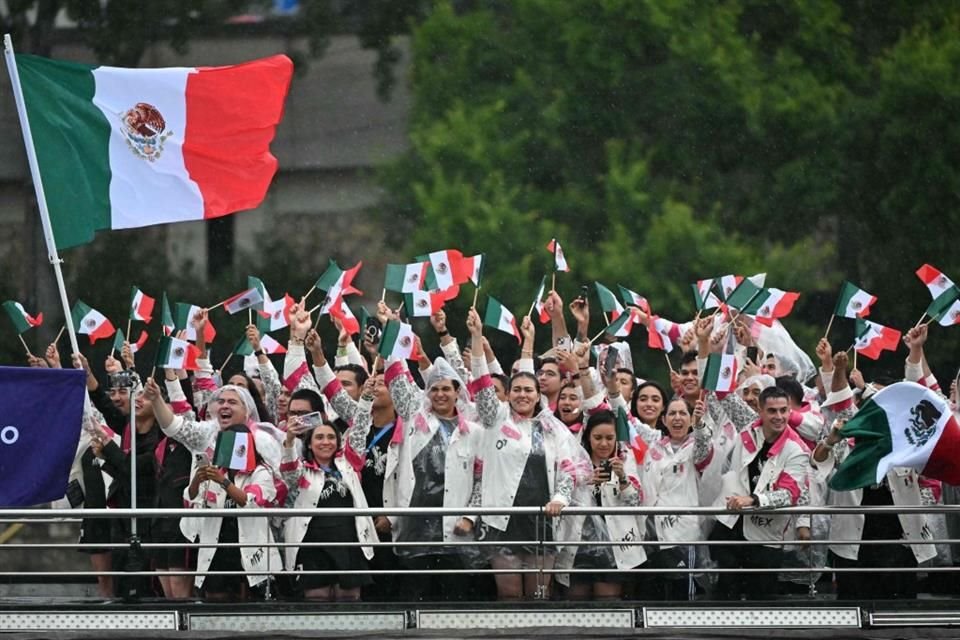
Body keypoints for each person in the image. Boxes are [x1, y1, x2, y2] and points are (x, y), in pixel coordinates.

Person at [467, 308, 591, 600]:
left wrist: (560, 498)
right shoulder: (495, 419)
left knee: (539, 595)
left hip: (542, 521)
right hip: (502, 522)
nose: (522, 394)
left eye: (529, 390)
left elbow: (569, 468)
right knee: (509, 595)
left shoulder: (551, 427)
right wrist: (475, 338)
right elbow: (482, 383)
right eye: (517, 390)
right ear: (508, 394)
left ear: (539, 396)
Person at [143, 378, 283, 600]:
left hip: (254, 533)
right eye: (220, 401)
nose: (224, 405)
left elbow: (271, 493)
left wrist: (226, 482)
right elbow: (172, 426)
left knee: (253, 601)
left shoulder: (263, 440)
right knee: (216, 599)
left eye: (232, 402)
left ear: (247, 411)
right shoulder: (207, 432)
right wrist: (157, 398)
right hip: (213, 534)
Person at [381, 349, 485, 602]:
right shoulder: (414, 423)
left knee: (454, 599)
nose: (440, 394)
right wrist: (392, 341)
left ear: (457, 392)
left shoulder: (474, 432)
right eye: (434, 389)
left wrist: (470, 517)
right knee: (415, 598)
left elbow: (483, 480)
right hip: (415, 527)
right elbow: (397, 384)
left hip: (456, 529)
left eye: (446, 389)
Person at [708, 386, 808, 600]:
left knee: (762, 601)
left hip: (765, 536)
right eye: (772, 411)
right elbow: (723, 392)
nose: (779, 416)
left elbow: (789, 495)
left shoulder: (796, 449)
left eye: (784, 410)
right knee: (724, 596)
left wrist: (752, 500)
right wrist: (715, 352)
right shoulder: (748, 423)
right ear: (760, 410)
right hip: (730, 525)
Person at [281, 415, 375, 601]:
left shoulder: (349, 463)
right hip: (312, 543)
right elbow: (289, 474)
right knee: (317, 596)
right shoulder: (302, 470)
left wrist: (366, 399)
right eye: (319, 437)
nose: (326, 442)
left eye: (331, 437)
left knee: (348, 596)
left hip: (348, 540)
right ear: (309, 444)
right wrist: (290, 440)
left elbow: (360, 427)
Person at [556, 411, 646, 600]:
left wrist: (622, 478)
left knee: (609, 603)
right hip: (579, 545)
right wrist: (586, 482)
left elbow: (636, 503)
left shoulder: (626, 462)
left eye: (609, 438)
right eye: (598, 438)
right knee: (576, 603)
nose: (603, 444)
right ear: (588, 437)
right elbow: (561, 498)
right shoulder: (576, 464)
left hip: (615, 546)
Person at [640, 397, 711, 600]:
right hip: (656, 533)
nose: (677, 418)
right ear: (663, 419)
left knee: (685, 592)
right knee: (663, 591)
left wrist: (699, 424)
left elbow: (703, 446)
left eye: (683, 413)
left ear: (690, 419)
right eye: (672, 413)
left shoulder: (695, 447)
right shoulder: (654, 448)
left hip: (685, 533)